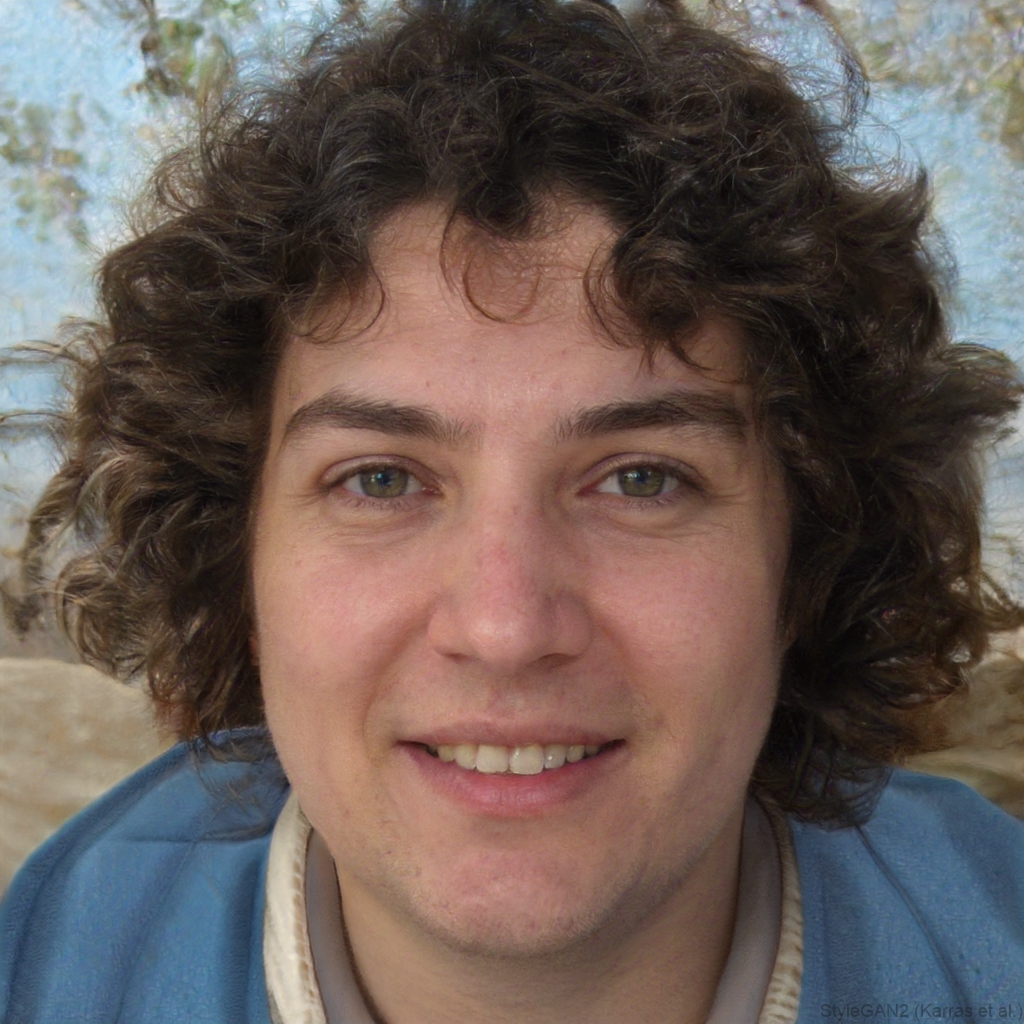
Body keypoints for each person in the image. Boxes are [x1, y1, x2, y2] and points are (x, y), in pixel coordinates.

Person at [1, 0, 1022, 1020]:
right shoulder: (48, 963)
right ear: (238, 565)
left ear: (808, 564)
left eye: (642, 478)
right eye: (381, 480)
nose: (504, 627)